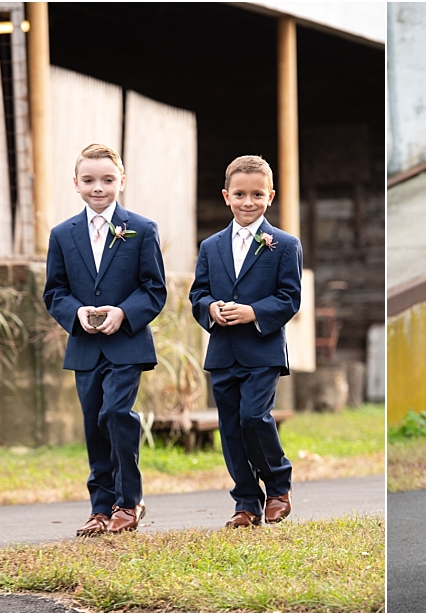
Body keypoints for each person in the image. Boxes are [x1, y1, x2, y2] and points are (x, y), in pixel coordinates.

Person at [43, 143, 167, 536]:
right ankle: (100, 508)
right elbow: (54, 292)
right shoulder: (62, 235)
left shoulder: (142, 230)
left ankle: (129, 502)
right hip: (85, 346)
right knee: (93, 425)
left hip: (127, 344)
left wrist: (123, 313)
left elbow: (154, 289)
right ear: (76, 184)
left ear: (122, 182)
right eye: (90, 180)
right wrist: (75, 314)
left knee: (114, 414)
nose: (99, 188)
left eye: (108, 180)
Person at [189, 155, 302, 528]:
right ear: (226, 196)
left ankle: (278, 484)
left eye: (256, 194)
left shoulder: (284, 245)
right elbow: (197, 294)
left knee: (254, 416)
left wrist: (254, 312)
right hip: (222, 352)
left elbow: (289, 298)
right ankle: (246, 502)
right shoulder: (210, 247)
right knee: (231, 428)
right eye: (240, 194)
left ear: (271, 195)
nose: (248, 201)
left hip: (262, 350)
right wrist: (211, 309)